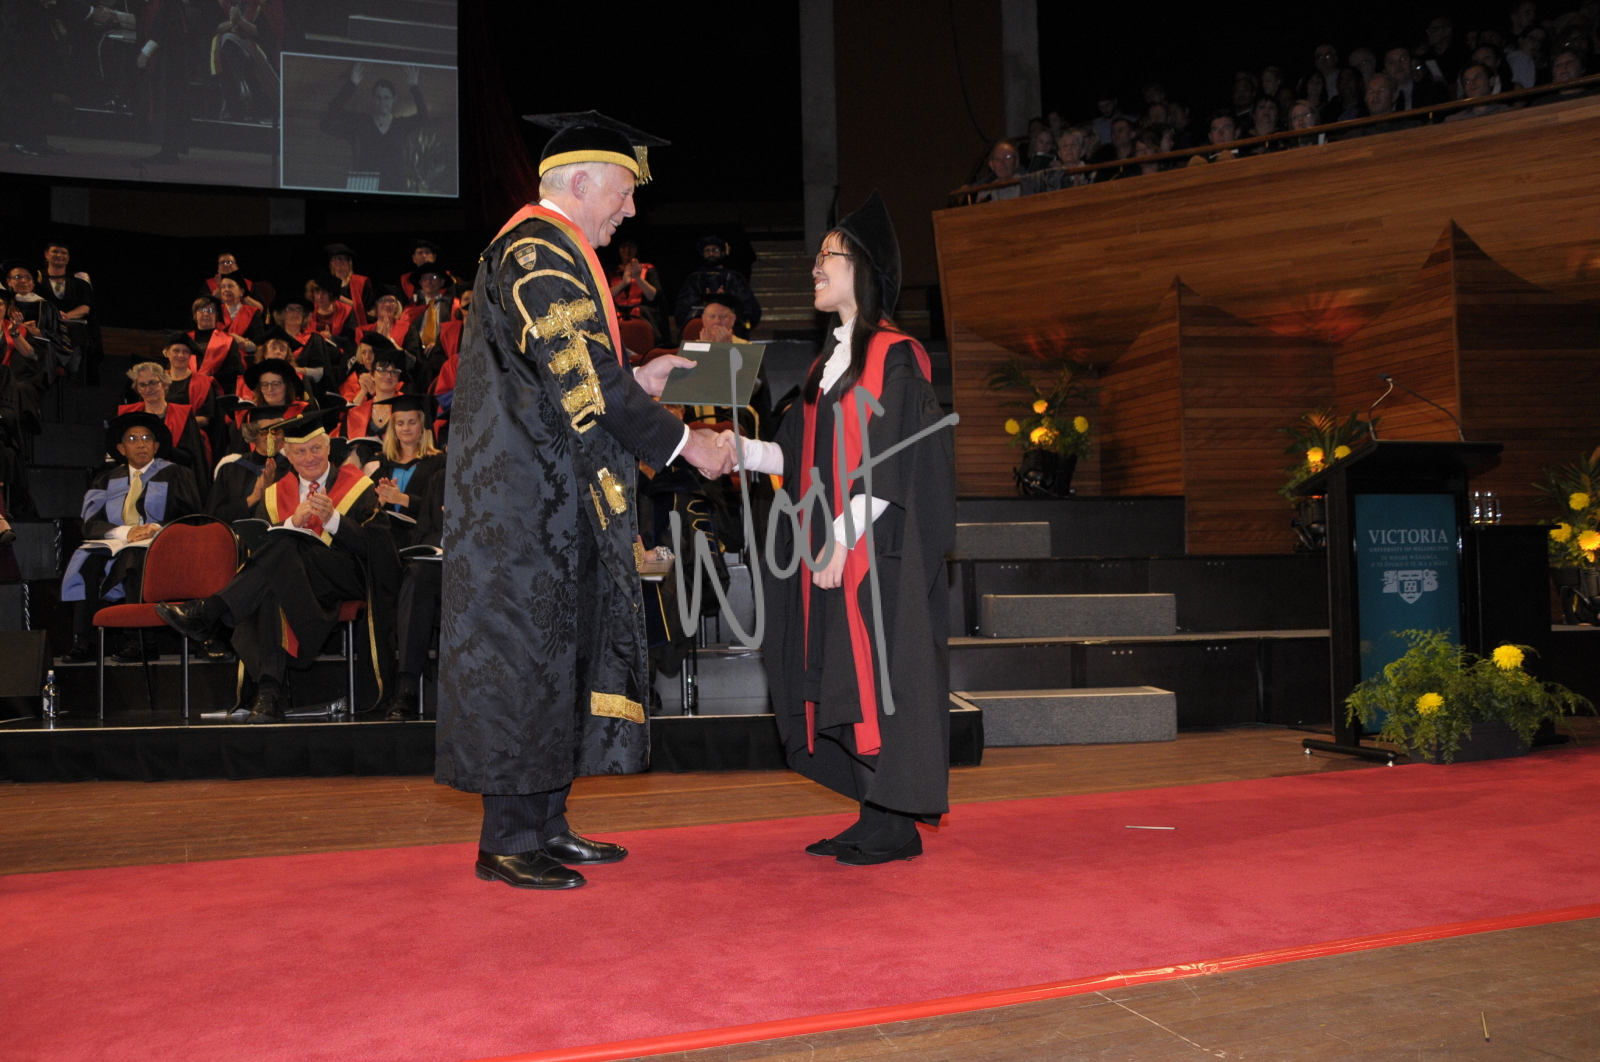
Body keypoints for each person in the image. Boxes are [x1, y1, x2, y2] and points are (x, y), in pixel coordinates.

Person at [436, 111, 735, 891]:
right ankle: (508, 839)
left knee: (560, 657)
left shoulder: (556, 252)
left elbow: (567, 381)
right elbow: (582, 380)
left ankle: (545, 822)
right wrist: (684, 443)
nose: (630, 210)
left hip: (552, 499)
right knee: (524, 660)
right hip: (522, 507)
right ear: (578, 182)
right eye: (623, 192)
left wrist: (640, 378)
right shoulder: (536, 251)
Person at [727, 191, 955, 865]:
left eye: (830, 254)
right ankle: (871, 813)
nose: (816, 266)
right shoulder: (826, 366)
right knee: (841, 679)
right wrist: (739, 452)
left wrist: (843, 536)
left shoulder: (894, 357)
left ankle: (895, 824)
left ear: (866, 270)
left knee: (877, 678)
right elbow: (800, 458)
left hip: (875, 552)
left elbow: (894, 456)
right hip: (834, 547)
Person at [157, 408, 398, 719]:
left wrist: (334, 520)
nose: (309, 457)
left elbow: (378, 549)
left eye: (315, 448)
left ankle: (211, 610)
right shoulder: (274, 494)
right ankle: (269, 694)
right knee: (273, 583)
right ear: (288, 455)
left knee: (282, 549)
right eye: (300, 452)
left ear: (328, 448)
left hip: (343, 577)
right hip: (293, 581)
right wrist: (291, 522)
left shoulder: (358, 486)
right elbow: (257, 546)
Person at [60, 412, 203, 663]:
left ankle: (140, 640)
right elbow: (90, 524)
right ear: (121, 448)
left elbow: (192, 518)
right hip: (117, 542)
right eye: (133, 439)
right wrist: (126, 532)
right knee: (86, 561)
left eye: (147, 438)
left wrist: (154, 528)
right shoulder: (106, 479)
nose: (140, 444)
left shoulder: (175, 473)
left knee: (134, 557)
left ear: (156, 446)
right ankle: (86, 641)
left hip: (160, 544)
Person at [369, 394, 445, 720]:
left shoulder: (439, 465)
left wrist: (402, 499)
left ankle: (406, 687)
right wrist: (380, 503)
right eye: (399, 423)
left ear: (424, 426)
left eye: (412, 422)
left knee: (416, 578)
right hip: (387, 545)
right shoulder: (382, 465)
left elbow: (434, 513)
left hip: (420, 546)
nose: (405, 428)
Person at [320, 63, 427, 193]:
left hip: (395, 188)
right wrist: (352, 84)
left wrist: (414, 87)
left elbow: (423, 116)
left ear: (393, 99)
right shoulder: (362, 122)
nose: (382, 102)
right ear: (373, 98)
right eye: (378, 97)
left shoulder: (401, 125)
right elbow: (333, 110)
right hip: (365, 186)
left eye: (386, 98)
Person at [119, 361, 211, 491]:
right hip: (136, 482)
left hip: (175, 483)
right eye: (142, 385)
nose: (148, 389)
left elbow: (190, 458)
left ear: (164, 384)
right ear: (137, 389)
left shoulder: (183, 414)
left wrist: (162, 448)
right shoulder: (128, 416)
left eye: (153, 383)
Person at [130, 0, 194, 165]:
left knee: (169, 102)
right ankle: (168, 151)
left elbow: (166, 25)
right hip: (167, 59)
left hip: (170, 60)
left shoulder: (170, 3)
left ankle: (169, 152)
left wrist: (146, 52)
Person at [208, 403, 287, 522]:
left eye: (277, 431)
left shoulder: (292, 466)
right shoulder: (231, 467)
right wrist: (253, 498)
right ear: (253, 434)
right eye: (265, 432)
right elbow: (215, 515)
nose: (273, 438)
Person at [208, 0, 283, 122]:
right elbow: (212, 27)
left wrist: (240, 21)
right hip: (226, 49)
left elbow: (263, 33)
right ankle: (242, 86)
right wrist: (232, 22)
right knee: (227, 42)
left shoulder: (259, 4)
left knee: (228, 41)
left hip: (250, 46)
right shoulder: (221, 3)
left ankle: (232, 102)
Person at [674, 235, 761, 334]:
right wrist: (706, 302)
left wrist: (725, 300)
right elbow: (684, 305)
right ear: (703, 254)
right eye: (707, 251)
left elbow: (745, 303)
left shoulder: (733, 277)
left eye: (715, 250)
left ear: (722, 253)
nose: (711, 253)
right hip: (700, 322)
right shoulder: (694, 278)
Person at [40, 241, 96, 381]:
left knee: (73, 328)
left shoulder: (79, 281)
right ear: (46, 254)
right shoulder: (37, 279)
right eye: (55, 251)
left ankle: (72, 371)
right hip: (46, 323)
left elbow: (86, 307)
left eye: (64, 253)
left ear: (68, 257)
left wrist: (66, 316)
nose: (59, 255)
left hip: (72, 323)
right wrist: (54, 316)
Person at [189, 295, 247, 394]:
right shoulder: (185, 340)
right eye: (202, 310)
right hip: (188, 390)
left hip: (218, 390)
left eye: (211, 311)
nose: (206, 314)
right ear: (195, 314)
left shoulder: (227, 340)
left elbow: (234, 370)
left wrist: (209, 380)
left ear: (217, 316)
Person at [607, 239, 664, 342]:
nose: (627, 250)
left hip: (643, 315)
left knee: (642, 311)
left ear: (636, 249)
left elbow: (654, 297)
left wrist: (638, 278)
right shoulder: (611, 271)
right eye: (623, 247)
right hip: (617, 314)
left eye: (630, 246)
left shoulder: (648, 269)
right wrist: (624, 283)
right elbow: (604, 296)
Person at [324, 243, 376, 327]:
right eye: (336, 258)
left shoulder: (361, 282)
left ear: (349, 262)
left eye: (344, 258)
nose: (340, 261)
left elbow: (365, 309)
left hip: (355, 326)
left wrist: (339, 298)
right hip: (331, 326)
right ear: (332, 263)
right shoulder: (326, 284)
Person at [1387, 47, 1449, 111]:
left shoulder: (1434, 90)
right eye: (1391, 62)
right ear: (1385, 70)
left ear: (1411, 63)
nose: (1398, 64)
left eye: (1403, 59)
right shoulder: (1383, 97)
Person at [1446, 64, 1513, 120]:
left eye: (1477, 77)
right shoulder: (1454, 120)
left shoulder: (1510, 113)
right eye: (1467, 81)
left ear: (1491, 81)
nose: (1472, 83)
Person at [1532, 49, 1597, 103]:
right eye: (1558, 65)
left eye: (1569, 62)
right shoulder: (1542, 103)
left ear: (1582, 69)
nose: (1563, 67)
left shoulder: (1596, 95)